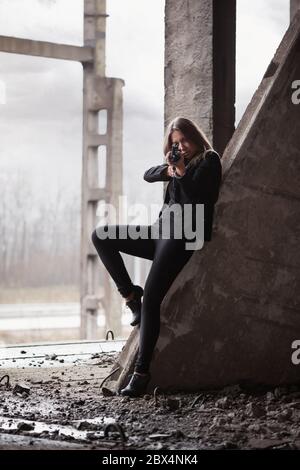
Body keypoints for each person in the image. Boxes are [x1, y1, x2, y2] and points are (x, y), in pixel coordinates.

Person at [91, 117, 222, 397]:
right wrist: (171, 170)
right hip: (160, 232)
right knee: (101, 236)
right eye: (175, 143)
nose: (181, 147)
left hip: (184, 235)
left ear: (195, 138)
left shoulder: (209, 160)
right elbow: (148, 174)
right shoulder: (175, 166)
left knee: (153, 297)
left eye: (184, 140)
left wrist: (182, 172)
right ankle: (129, 296)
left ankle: (141, 373)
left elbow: (196, 200)